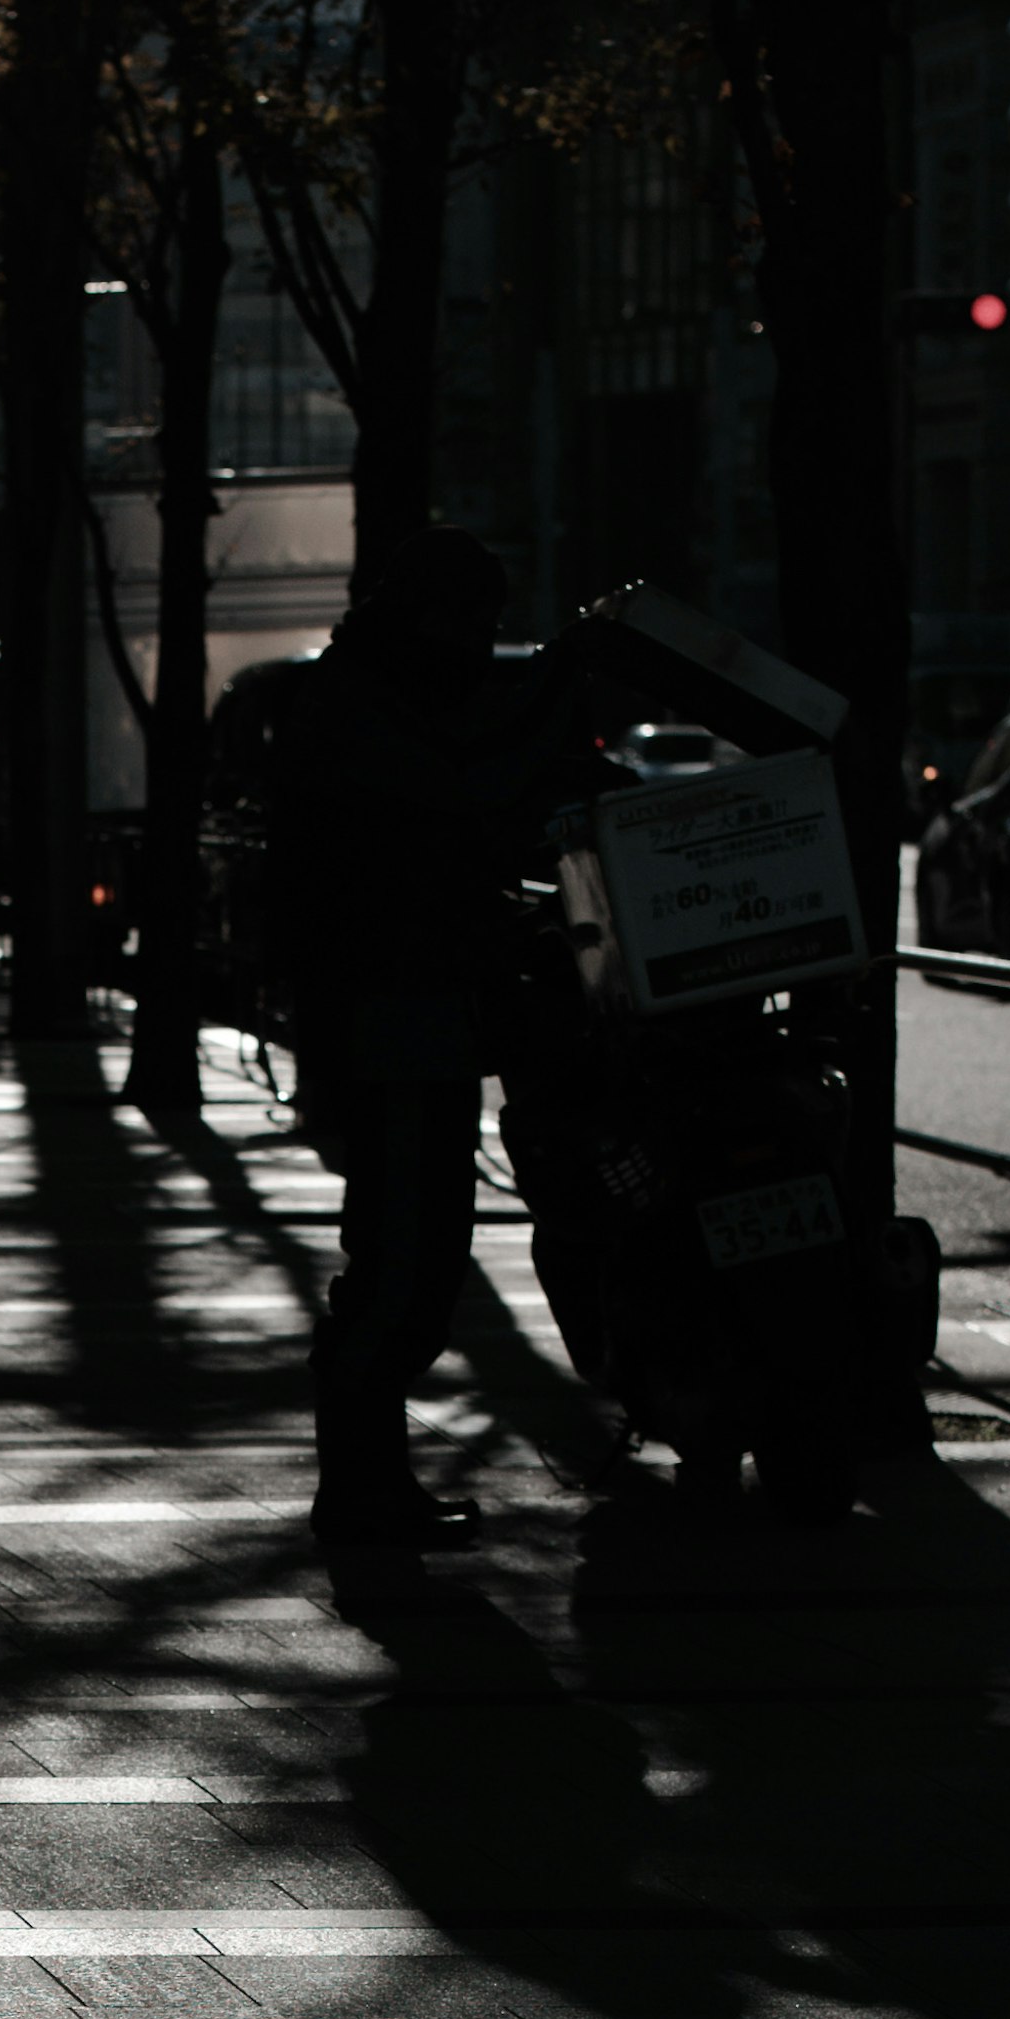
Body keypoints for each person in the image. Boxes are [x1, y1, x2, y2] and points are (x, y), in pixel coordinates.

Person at [267, 525, 596, 1549]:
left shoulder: (368, 694)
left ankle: (372, 1484)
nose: (482, 644)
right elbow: (466, 782)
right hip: (390, 1025)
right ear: (429, 616)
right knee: (404, 1261)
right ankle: (360, 1487)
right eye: (476, 623)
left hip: (410, 1022)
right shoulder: (360, 709)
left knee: (413, 1256)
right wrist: (561, 692)